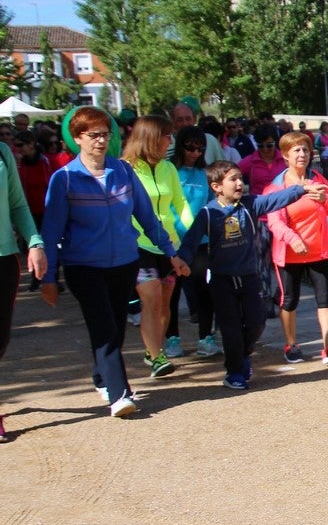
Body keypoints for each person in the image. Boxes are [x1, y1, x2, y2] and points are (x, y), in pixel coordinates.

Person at [40, 107, 190, 418]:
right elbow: (52, 231)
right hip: (83, 265)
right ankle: (120, 394)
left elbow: (147, 219)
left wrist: (170, 253)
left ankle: (101, 375)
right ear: (78, 138)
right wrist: (50, 276)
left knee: (115, 325)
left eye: (105, 134)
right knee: (104, 325)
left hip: (124, 262)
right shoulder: (64, 179)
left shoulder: (123, 172)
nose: (101, 141)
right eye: (93, 135)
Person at [177, 161, 327, 390]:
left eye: (241, 178)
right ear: (216, 186)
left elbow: (275, 199)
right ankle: (234, 372)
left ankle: (243, 353)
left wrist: (302, 188)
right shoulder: (208, 213)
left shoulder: (250, 204)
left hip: (249, 276)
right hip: (221, 279)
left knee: (257, 322)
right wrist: (181, 260)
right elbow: (190, 241)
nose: (240, 183)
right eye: (233, 179)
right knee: (231, 327)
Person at [264, 131, 328, 366]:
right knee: (289, 300)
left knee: (326, 299)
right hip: (290, 254)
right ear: (285, 156)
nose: (302, 155)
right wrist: (292, 239)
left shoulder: (318, 180)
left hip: (318, 250)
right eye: (296, 151)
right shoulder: (277, 187)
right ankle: (291, 345)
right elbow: (275, 222)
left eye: (305, 150)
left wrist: (324, 200)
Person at [122, 116, 194, 378]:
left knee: (165, 304)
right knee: (150, 299)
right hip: (138, 244)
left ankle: (153, 348)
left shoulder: (169, 169)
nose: (170, 141)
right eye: (166, 136)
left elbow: (181, 204)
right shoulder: (126, 168)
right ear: (151, 138)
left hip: (169, 244)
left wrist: (191, 233)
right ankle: (157, 357)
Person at [1, 139, 48, 442]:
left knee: (0, 339)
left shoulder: (2, 152)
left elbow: (17, 204)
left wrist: (35, 242)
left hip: (4, 257)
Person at [167, 125, 220, 358]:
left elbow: (211, 205)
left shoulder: (204, 174)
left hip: (201, 241)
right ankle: (171, 338)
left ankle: (206, 337)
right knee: (172, 292)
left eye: (200, 149)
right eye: (190, 147)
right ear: (180, 146)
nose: (195, 153)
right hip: (172, 241)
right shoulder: (170, 171)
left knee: (204, 291)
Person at [239, 123, 287, 318]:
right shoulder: (250, 161)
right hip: (260, 217)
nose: (266, 150)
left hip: (283, 215)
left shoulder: (283, 160)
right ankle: (265, 298)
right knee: (262, 259)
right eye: (261, 146)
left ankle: (281, 294)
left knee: (284, 259)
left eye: (269, 145)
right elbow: (231, 172)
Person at [13, 130, 53, 291]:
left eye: (20, 145)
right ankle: (36, 277)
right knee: (30, 246)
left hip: (45, 210)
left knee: (47, 244)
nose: (18, 149)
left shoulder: (44, 161)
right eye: (16, 146)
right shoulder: (19, 163)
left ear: (31, 144)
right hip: (27, 211)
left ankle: (51, 277)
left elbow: (49, 184)